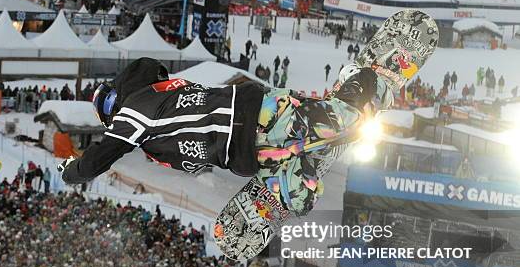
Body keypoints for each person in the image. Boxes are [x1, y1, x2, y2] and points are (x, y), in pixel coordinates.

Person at [59, 58, 392, 217]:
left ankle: (358, 83)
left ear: (117, 95)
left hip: (253, 115)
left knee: (345, 119)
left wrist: (72, 170)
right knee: (302, 202)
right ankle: (310, 152)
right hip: (246, 153)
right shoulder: (153, 134)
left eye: (105, 105)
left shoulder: (137, 108)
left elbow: (96, 161)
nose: (110, 118)